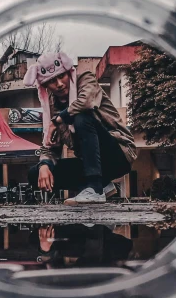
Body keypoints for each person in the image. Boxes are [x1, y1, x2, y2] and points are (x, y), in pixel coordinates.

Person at [25, 51, 137, 204]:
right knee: (34, 173)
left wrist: (57, 120)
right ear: (45, 86)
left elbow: (86, 103)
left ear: (68, 71)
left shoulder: (85, 79)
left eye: (61, 76)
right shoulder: (52, 107)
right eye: (52, 81)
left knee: (80, 116)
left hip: (118, 154)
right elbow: (50, 146)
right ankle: (102, 185)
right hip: (92, 164)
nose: (59, 84)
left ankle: (95, 189)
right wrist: (44, 164)